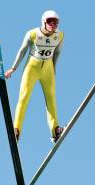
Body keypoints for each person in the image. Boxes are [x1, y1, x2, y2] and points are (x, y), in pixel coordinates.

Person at [5, 10, 64, 143]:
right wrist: (13, 68)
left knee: (51, 99)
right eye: (50, 21)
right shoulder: (32, 34)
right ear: (43, 22)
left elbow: (58, 52)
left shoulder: (60, 36)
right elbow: (22, 50)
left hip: (48, 69)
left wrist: (54, 67)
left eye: (55, 22)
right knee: (24, 96)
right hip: (32, 67)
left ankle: (55, 131)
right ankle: (16, 129)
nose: (53, 24)